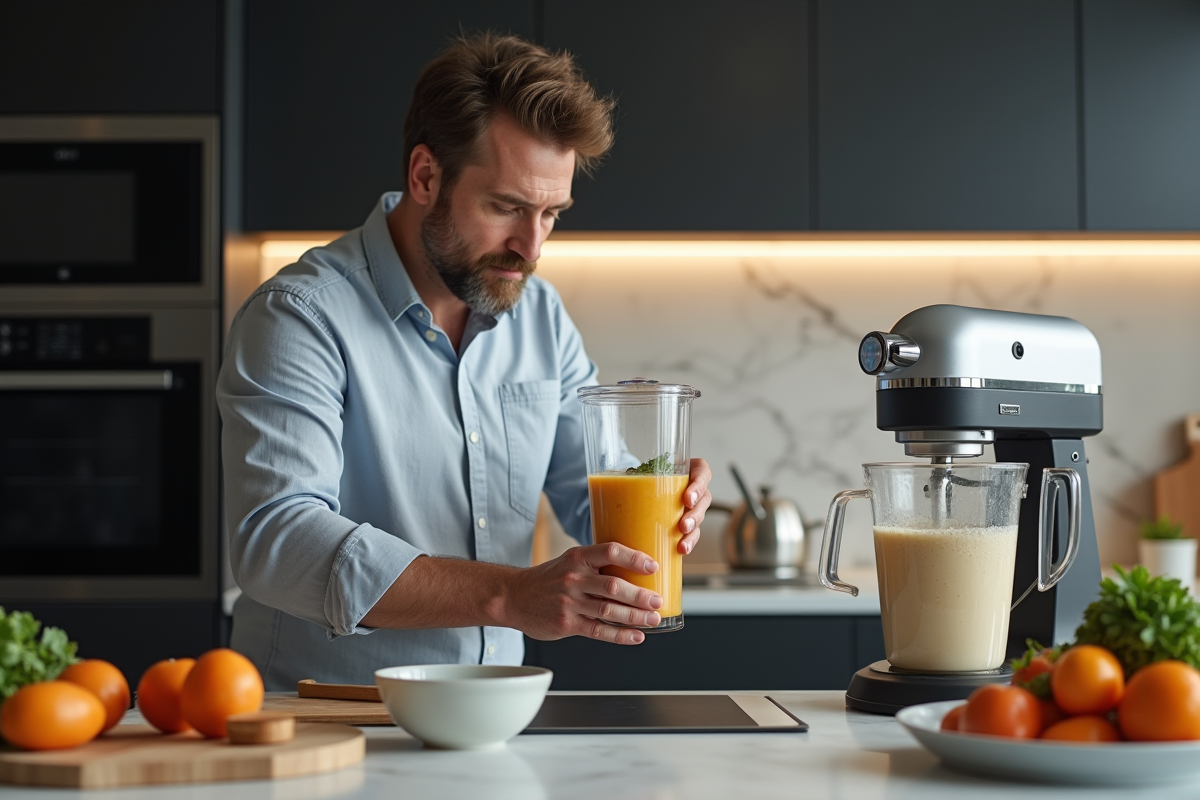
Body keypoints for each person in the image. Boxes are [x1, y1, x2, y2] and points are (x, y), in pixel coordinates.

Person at [217, 32, 713, 689]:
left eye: (551, 214)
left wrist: (666, 502)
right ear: (425, 176)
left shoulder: (541, 318)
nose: (530, 247)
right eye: (507, 207)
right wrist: (510, 595)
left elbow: (587, 495)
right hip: (325, 719)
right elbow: (275, 542)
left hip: (492, 717)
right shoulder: (300, 316)